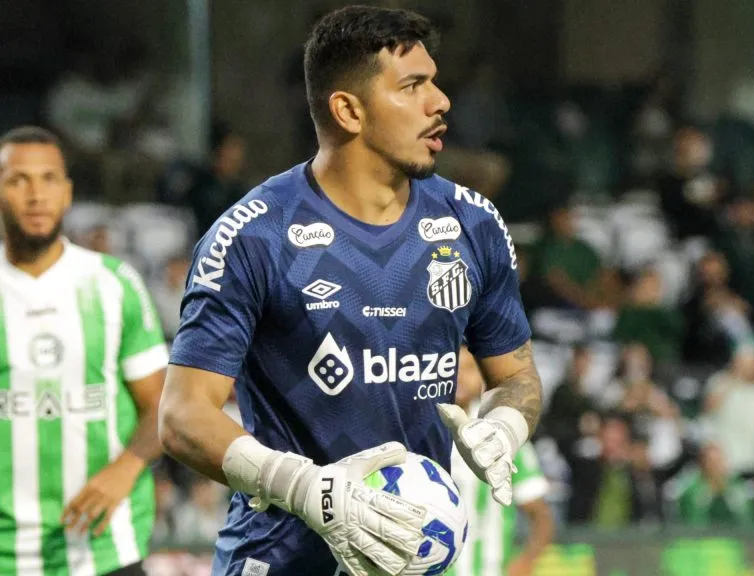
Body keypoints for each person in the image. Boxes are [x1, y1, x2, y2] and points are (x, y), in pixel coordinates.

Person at [157, 6, 543, 576]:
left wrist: (506, 425)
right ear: (348, 110)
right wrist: (309, 489)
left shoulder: (474, 225)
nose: (441, 102)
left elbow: (517, 377)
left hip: (409, 561)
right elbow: (183, 417)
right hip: (280, 562)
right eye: (413, 86)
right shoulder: (254, 236)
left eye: (434, 82)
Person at [0, 126, 168, 575]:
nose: (36, 194)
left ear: (68, 191)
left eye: (49, 178)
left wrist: (126, 467)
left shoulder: (113, 285)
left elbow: (162, 407)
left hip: (107, 547)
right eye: (18, 180)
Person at [451, 347, 554, 576]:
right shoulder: (416, 431)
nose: (459, 376)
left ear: (482, 377)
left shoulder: (501, 432)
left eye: (469, 369)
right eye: (452, 368)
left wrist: (526, 562)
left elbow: (541, 515)